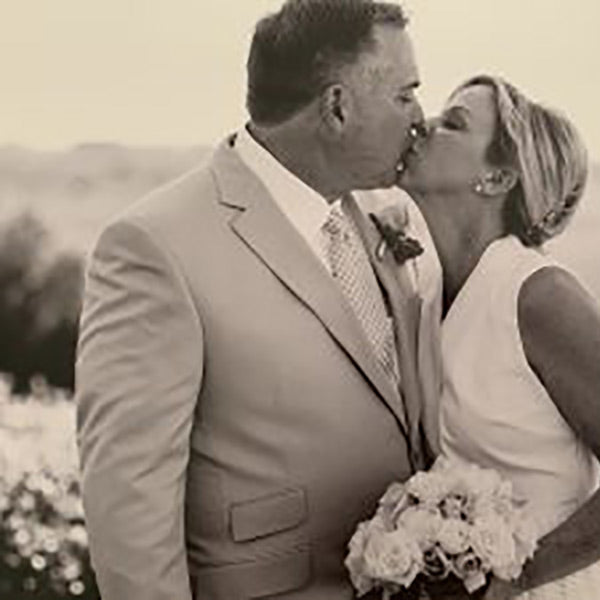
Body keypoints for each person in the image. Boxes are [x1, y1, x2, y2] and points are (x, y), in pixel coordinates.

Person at [75, 2, 442, 599]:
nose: (420, 119)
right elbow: (129, 500)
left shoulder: (382, 220)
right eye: (405, 95)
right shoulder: (156, 246)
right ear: (338, 106)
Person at [399, 75, 600, 599]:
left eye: (453, 123)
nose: (423, 125)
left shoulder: (541, 297)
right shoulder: (426, 288)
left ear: (498, 177)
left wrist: (518, 577)